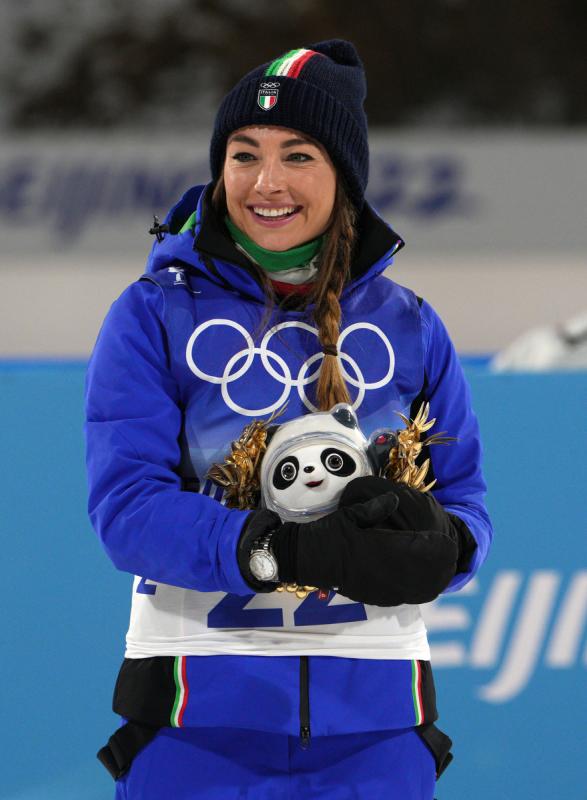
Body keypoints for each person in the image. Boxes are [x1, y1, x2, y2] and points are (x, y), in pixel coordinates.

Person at [85, 39, 492, 800]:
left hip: (376, 734)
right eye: (244, 154)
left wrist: (441, 545)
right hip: (194, 727)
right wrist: (281, 553)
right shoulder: (152, 315)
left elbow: (465, 504)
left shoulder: (410, 325)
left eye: (297, 155)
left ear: (344, 176)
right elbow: (127, 512)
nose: (264, 182)